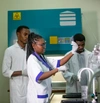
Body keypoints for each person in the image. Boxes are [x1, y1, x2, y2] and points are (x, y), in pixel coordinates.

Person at [26, 32, 78, 103]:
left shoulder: (42, 57)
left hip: (44, 96)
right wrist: (57, 70)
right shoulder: (32, 59)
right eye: (42, 44)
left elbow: (59, 62)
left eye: (45, 44)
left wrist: (73, 51)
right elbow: (39, 76)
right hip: (36, 99)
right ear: (33, 45)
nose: (44, 46)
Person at [2, 25, 30, 103]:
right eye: (25, 34)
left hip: (30, 89)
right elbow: (5, 71)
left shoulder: (31, 50)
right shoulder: (10, 51)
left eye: (28, 35)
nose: (27, 37)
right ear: (18, 34)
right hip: (17, 91)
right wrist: (22, 72)